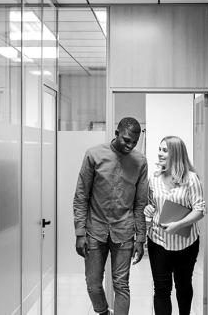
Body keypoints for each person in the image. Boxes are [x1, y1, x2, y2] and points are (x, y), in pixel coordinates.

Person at [73, 117, 148, 315]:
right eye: (126, 140)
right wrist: (80, 232)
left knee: (121, 285)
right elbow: (81, 196)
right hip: (95, 230)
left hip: (124, 231)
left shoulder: (140, 162)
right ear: (116, 134)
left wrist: (140, 239)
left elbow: (140, 204)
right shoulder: (94, 155)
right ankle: (104, 312)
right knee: (93, 285)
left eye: (134, 141)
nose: (130, 145)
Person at [144, 136, 205, 315]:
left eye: (165, 150)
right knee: (161, 290)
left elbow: (200, 210)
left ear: (176, 154)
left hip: (186, 244)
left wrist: (178, 224)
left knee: (183, 285)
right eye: (160, 149)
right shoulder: (154, 178)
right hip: (158, 242)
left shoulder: (191, 179)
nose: (160, 153)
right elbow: (150, 204)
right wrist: (148, 208)